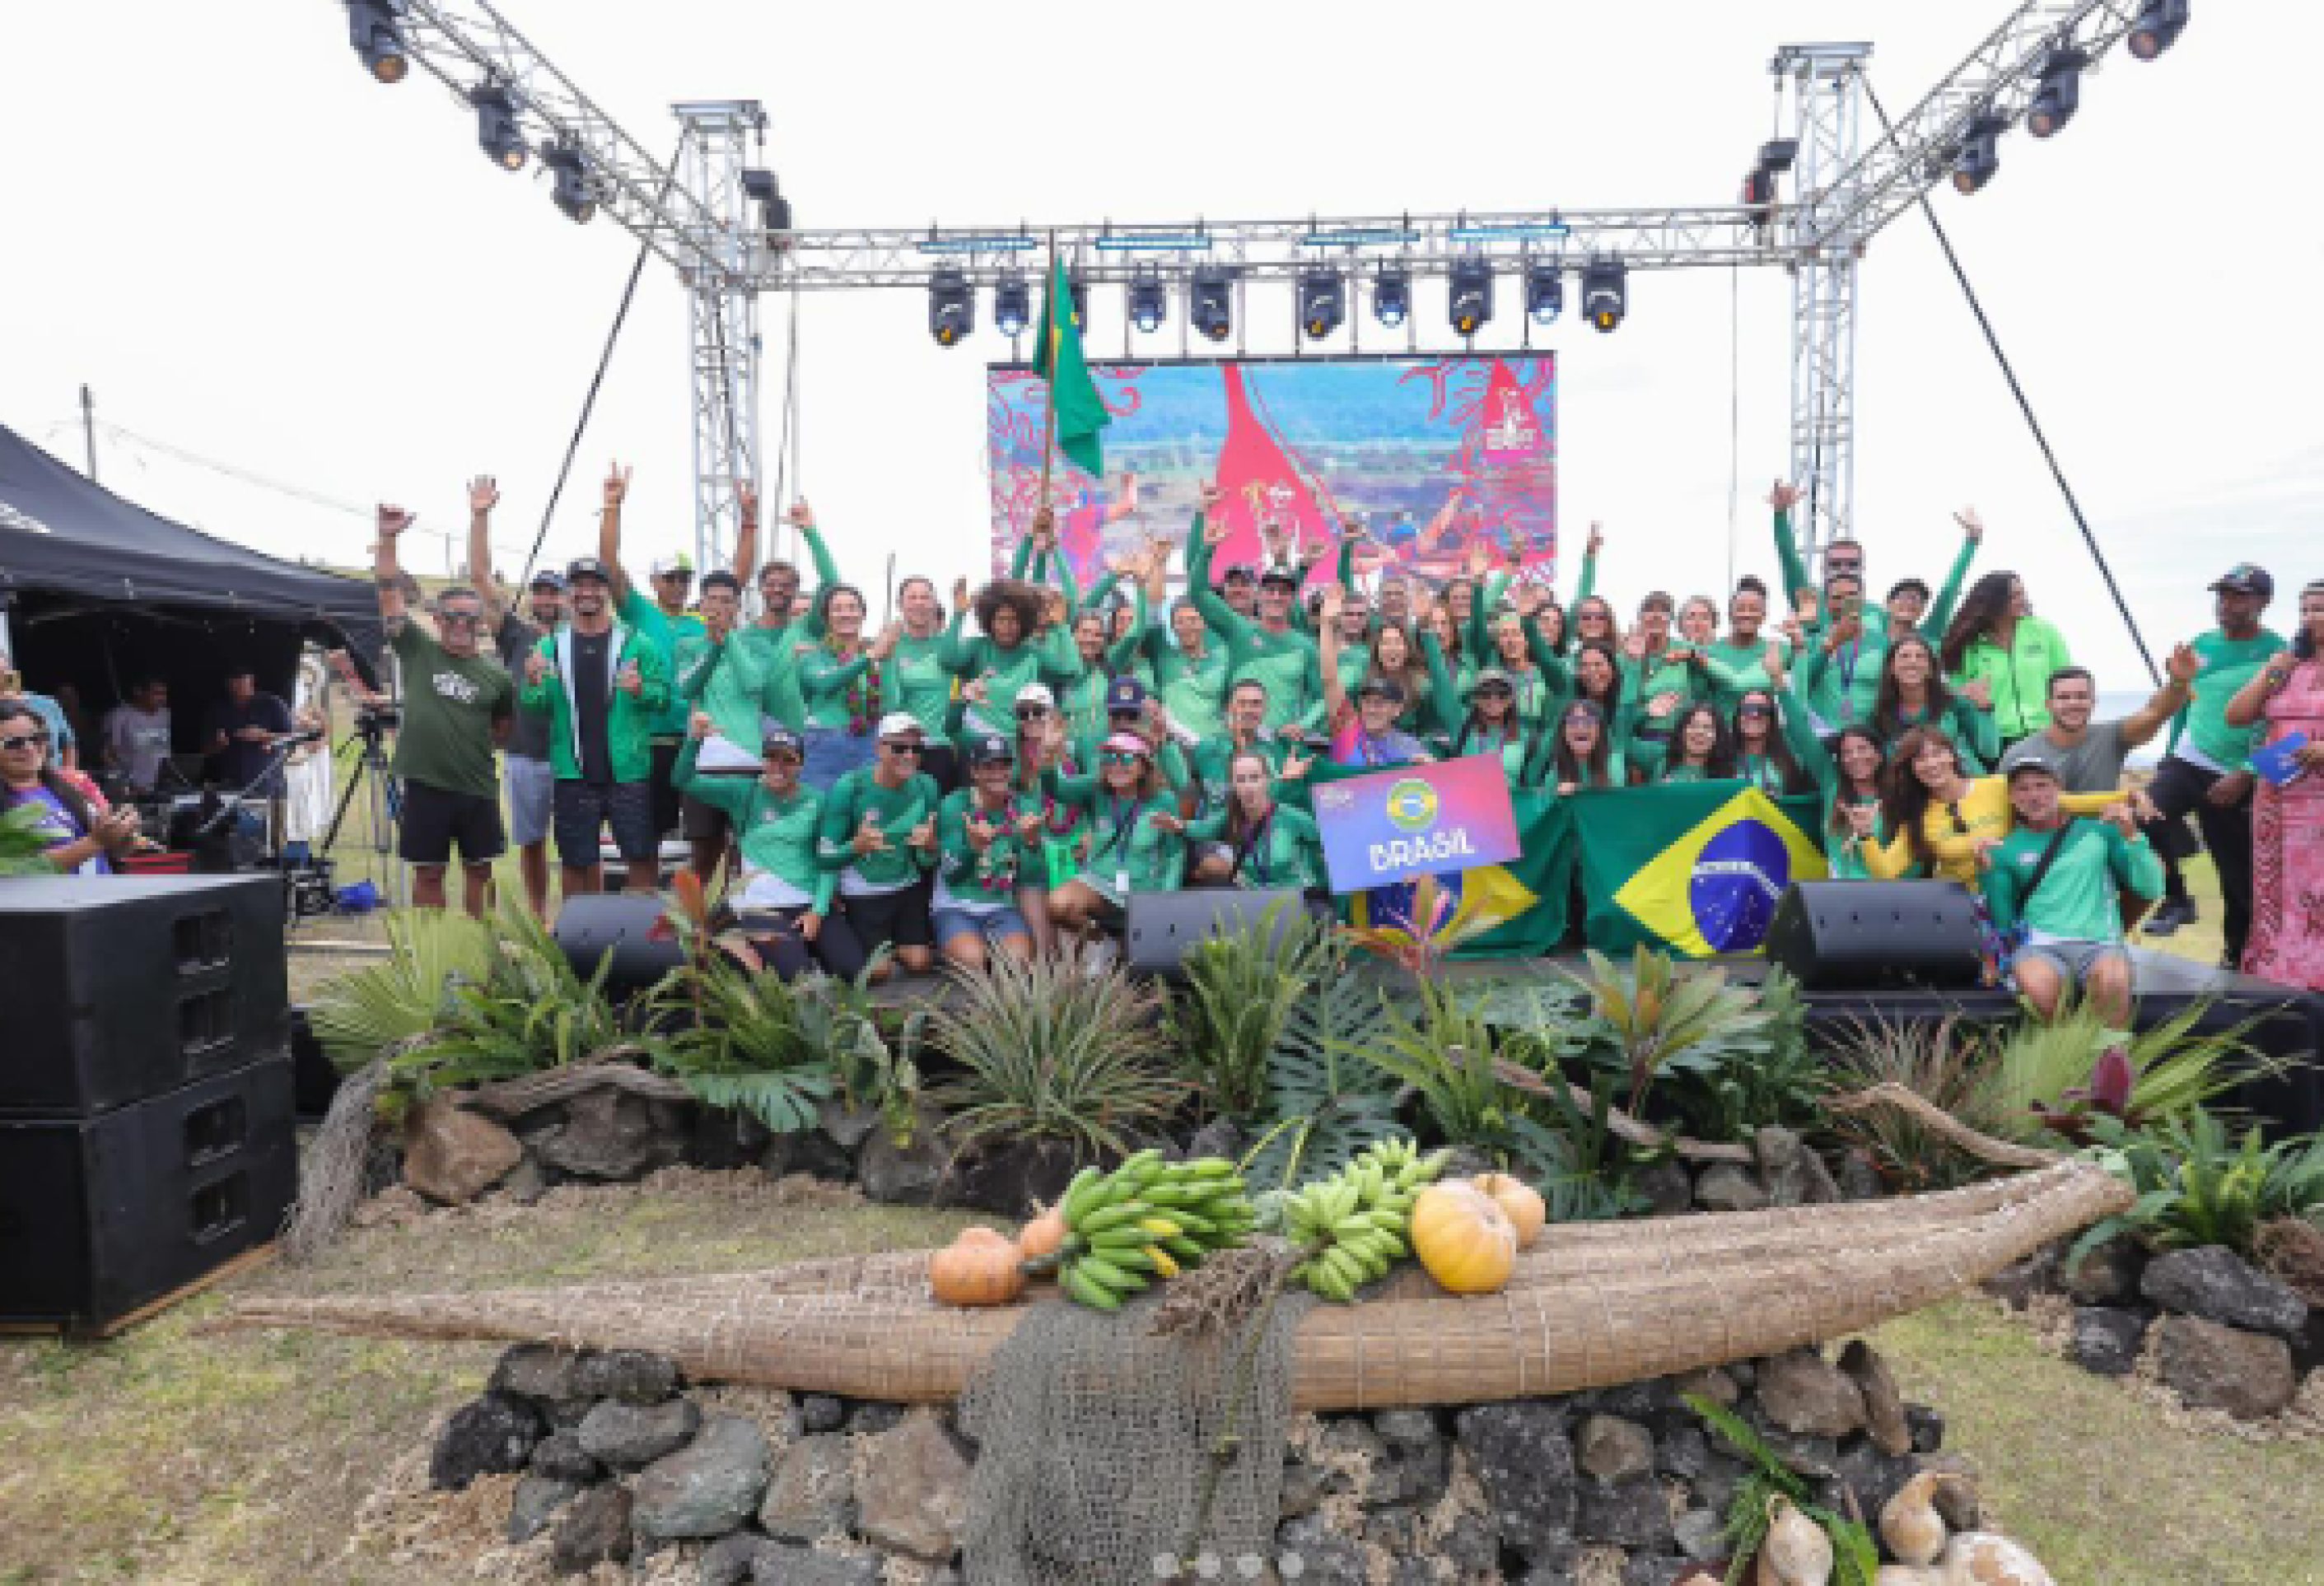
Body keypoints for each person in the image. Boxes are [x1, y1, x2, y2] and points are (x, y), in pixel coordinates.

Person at [375, 503, 514, 916]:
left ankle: (481, 946)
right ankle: (432, 949)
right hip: (425, 786)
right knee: (429, 874)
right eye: (451, 615)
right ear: (437, 619)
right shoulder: (418, 649)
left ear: (481, 622)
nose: (460, 623)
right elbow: (389, 597)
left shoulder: (497, 676)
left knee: (480, 871)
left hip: (477, 787)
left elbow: (503, 728)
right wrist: (388, 538)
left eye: (469, 617)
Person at [2140, 563, 2284, 956]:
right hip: (2189, 760)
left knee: (2239, 882)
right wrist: (2169, 754)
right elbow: (2185, 704)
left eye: (2239, 596)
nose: (2227, 604)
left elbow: (2290, 733)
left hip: (2242, 773)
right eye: (2223, 595)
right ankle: (2176, 898)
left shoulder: (2279, 654)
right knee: (2144, 814)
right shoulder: (2200, 644)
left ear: (2264, 602)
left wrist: (2249, 773)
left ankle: (2236, 959)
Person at [520, 553, 670, 898]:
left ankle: (640, 929)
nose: (587, 592)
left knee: (640, 857)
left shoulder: (636, 643)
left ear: (607, 591)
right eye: (579, 585)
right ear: (569, 592)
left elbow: (663, 698)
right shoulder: (550, 646)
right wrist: (531, 683)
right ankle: (579, 929)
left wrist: (641, 690)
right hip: (573, 775)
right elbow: (536, 705)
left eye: (595, 585)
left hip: (627, 773)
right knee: (575, 861)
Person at [1977, 755, 2162, 1025]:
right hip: (2039, 947)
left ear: (2059, 788)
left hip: (2100, 943)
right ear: (2011, 798)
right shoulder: (2003, 848)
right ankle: (2066, 1050)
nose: (2033, 796)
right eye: (2022, 789)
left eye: (2042, 785)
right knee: (2039, 989)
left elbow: (2150, 887)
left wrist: (2132, 836)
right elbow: (2002, 920)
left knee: (2112, 984)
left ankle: (2113, 1050)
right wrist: (1986, 873)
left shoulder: (2099, 832)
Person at [673, 714, 843, 981]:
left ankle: (795, 948)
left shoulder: (818, 800)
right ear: (762, 759)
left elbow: (828, 860)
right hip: (762, 904)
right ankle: (767, 952)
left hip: (806, 899)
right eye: (771, 757)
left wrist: (818, 911)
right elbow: (683, 780)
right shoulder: (744, 793)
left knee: (860, 972)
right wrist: (694, 740)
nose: (778, 766)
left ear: (801, 764)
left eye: (788, 760)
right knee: (798, 977)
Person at [469, 475, 567, 920]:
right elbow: (480, 578)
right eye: (540, 591)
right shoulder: (515, 634)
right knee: (532, 843)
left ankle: (577, 919)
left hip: (570, 757)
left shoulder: (579, 638)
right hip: (525, 755)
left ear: (565, 598)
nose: (546, 598)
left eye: (553, 592)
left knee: (577, 844)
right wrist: (480, 517)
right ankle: (539, 916)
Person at [595, 461, 707, 843]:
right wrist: (612, 507)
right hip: (648, 740)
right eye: (670, 578)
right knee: (648, 834)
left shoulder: (701, 621)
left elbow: (735, 583)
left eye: (684, 579)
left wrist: (749, 524)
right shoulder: (641, 611)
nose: (678, 585)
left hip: (693, 740)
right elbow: (609, 568)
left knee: (693, 837)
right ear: (654, 581)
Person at [1864, 725, 2126, 885]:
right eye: (1920, 759)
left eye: (1937, 753)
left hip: (2011, 892)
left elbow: (2064, 802)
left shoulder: (1997, 786)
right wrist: (1866, 835)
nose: (1931, 764)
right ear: (1911, 769)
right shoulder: (1917, 818)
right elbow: (1886, 872)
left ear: (1951, 756)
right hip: (1959, 907)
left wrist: (2129, 797)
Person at [2224, 578, 2324, 990]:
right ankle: (2278, 969)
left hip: (2320, 797)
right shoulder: (2288, 666)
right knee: (2276, 887)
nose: (2310, 617)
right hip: (2279, 794)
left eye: (2319, 608)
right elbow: (2235, 715)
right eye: (2305, 609)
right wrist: (2270, 672)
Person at [814, 712, 940, 979]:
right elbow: (824, 857)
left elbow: (926, 860)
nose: (909, 755)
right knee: (879, 972)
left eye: (917, 749)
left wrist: (930, 847)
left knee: (920, 963)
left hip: (907, 887)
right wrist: (856, 847)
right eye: (899, 748)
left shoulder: (927, 786)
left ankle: (888, 946)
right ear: (878, 748)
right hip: (864, 891)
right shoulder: (850, 787)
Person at [1189, 492, 1325, 737]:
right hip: (1237, 741)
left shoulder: (1305, 645)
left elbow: (1323, 696)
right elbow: (1198, 593)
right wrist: (1207, 548)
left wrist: (1304, 724)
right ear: (1259, 595)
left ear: (1293, 598)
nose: (1276, 597)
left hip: (1282, 745)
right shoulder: (1238, 629)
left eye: (1283, 592)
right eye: (1270, 591)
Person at [1042, 730, 1187, 935]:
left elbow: (1175, 854)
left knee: (1139, 951)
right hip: (1099, 883)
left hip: (1144, 890)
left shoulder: (1163, 800)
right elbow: (1057, 789)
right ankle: (1099, 939)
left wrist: (1166, 900)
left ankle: (1122, 941)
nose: (1117, 765)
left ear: (1144, 765)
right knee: (1058, 904)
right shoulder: (1096, 789)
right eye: (1110, 757)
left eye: (1126, 758)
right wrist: (1049, 755)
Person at [1999, 655, 2199, 790]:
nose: (2073, 703)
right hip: (2043, 836)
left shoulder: (2112, 736)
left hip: (2102, 831)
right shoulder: (2019, 754)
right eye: (2064, 697)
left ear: (2094, 702)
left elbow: (2155, 713)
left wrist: (2178, 682)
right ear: (2048, 704)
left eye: (2081, 696)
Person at [931, 732, 1039, 968]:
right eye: (989, 766)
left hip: (1001, 905)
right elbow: (951, 874)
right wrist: (973, 848)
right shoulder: (954, 805)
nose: (998, 774)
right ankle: (954, 944)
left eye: (1004, 765)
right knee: (973, 961)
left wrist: (1031, 843)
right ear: (974, 771)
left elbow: (1030, 876)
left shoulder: (1024, 806)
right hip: (955, 905)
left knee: (1018, 963)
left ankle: (989, 948)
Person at [1, 696, 140, 875]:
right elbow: (16, 868)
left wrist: (122, 835)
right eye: (13, 743)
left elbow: (111, 850)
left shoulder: (73, 783)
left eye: (36, 738)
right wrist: (94, 842)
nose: (29, 748)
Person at [1939, 570, 2071, 748]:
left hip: (2045, 735)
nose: (2023, 600)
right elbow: (1956, 695)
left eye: (2023, 593)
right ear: (1994, 600)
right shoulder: (1968, 645)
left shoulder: (2043, 631)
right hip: (1992, 741)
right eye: (2015, 596)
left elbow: (2066, 678)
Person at [1185, 745, 1329, 895]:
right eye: (1240, 780)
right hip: (1258, 901)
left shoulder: (1292, 818)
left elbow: (1336, 846)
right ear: (1232, 785)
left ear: (1267, 780)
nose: (1248, 787)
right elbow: (1200, 830)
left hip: (1300, 900)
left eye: (1255, 778)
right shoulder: (1230, 817)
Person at [203, 661, 295, 795]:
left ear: (251, 680)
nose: (239, 685)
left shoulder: (272, 704)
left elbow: (293, 739)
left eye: (242, 680)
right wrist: (218, 744)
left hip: (267, 785)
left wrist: (263, 735)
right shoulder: (219, 711)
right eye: (234, 681)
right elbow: (206, 751)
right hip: (230, 786)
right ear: (227, 684)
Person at [0, 647, 78, 772]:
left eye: (4, 672)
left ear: (12, 673)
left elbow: (67, 743)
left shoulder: (46, 703)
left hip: (53, 776)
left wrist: (69, 775)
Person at [100, 676, 173, 795]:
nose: (162, 698)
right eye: (156, 694)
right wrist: (128, 783)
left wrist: (164, 781)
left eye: (164, 694)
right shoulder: (119, 716)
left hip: (152, 788)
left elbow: (161, 753)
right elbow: (107, 756)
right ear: (138, 692)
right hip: (124, 790)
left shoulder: (165, 715)